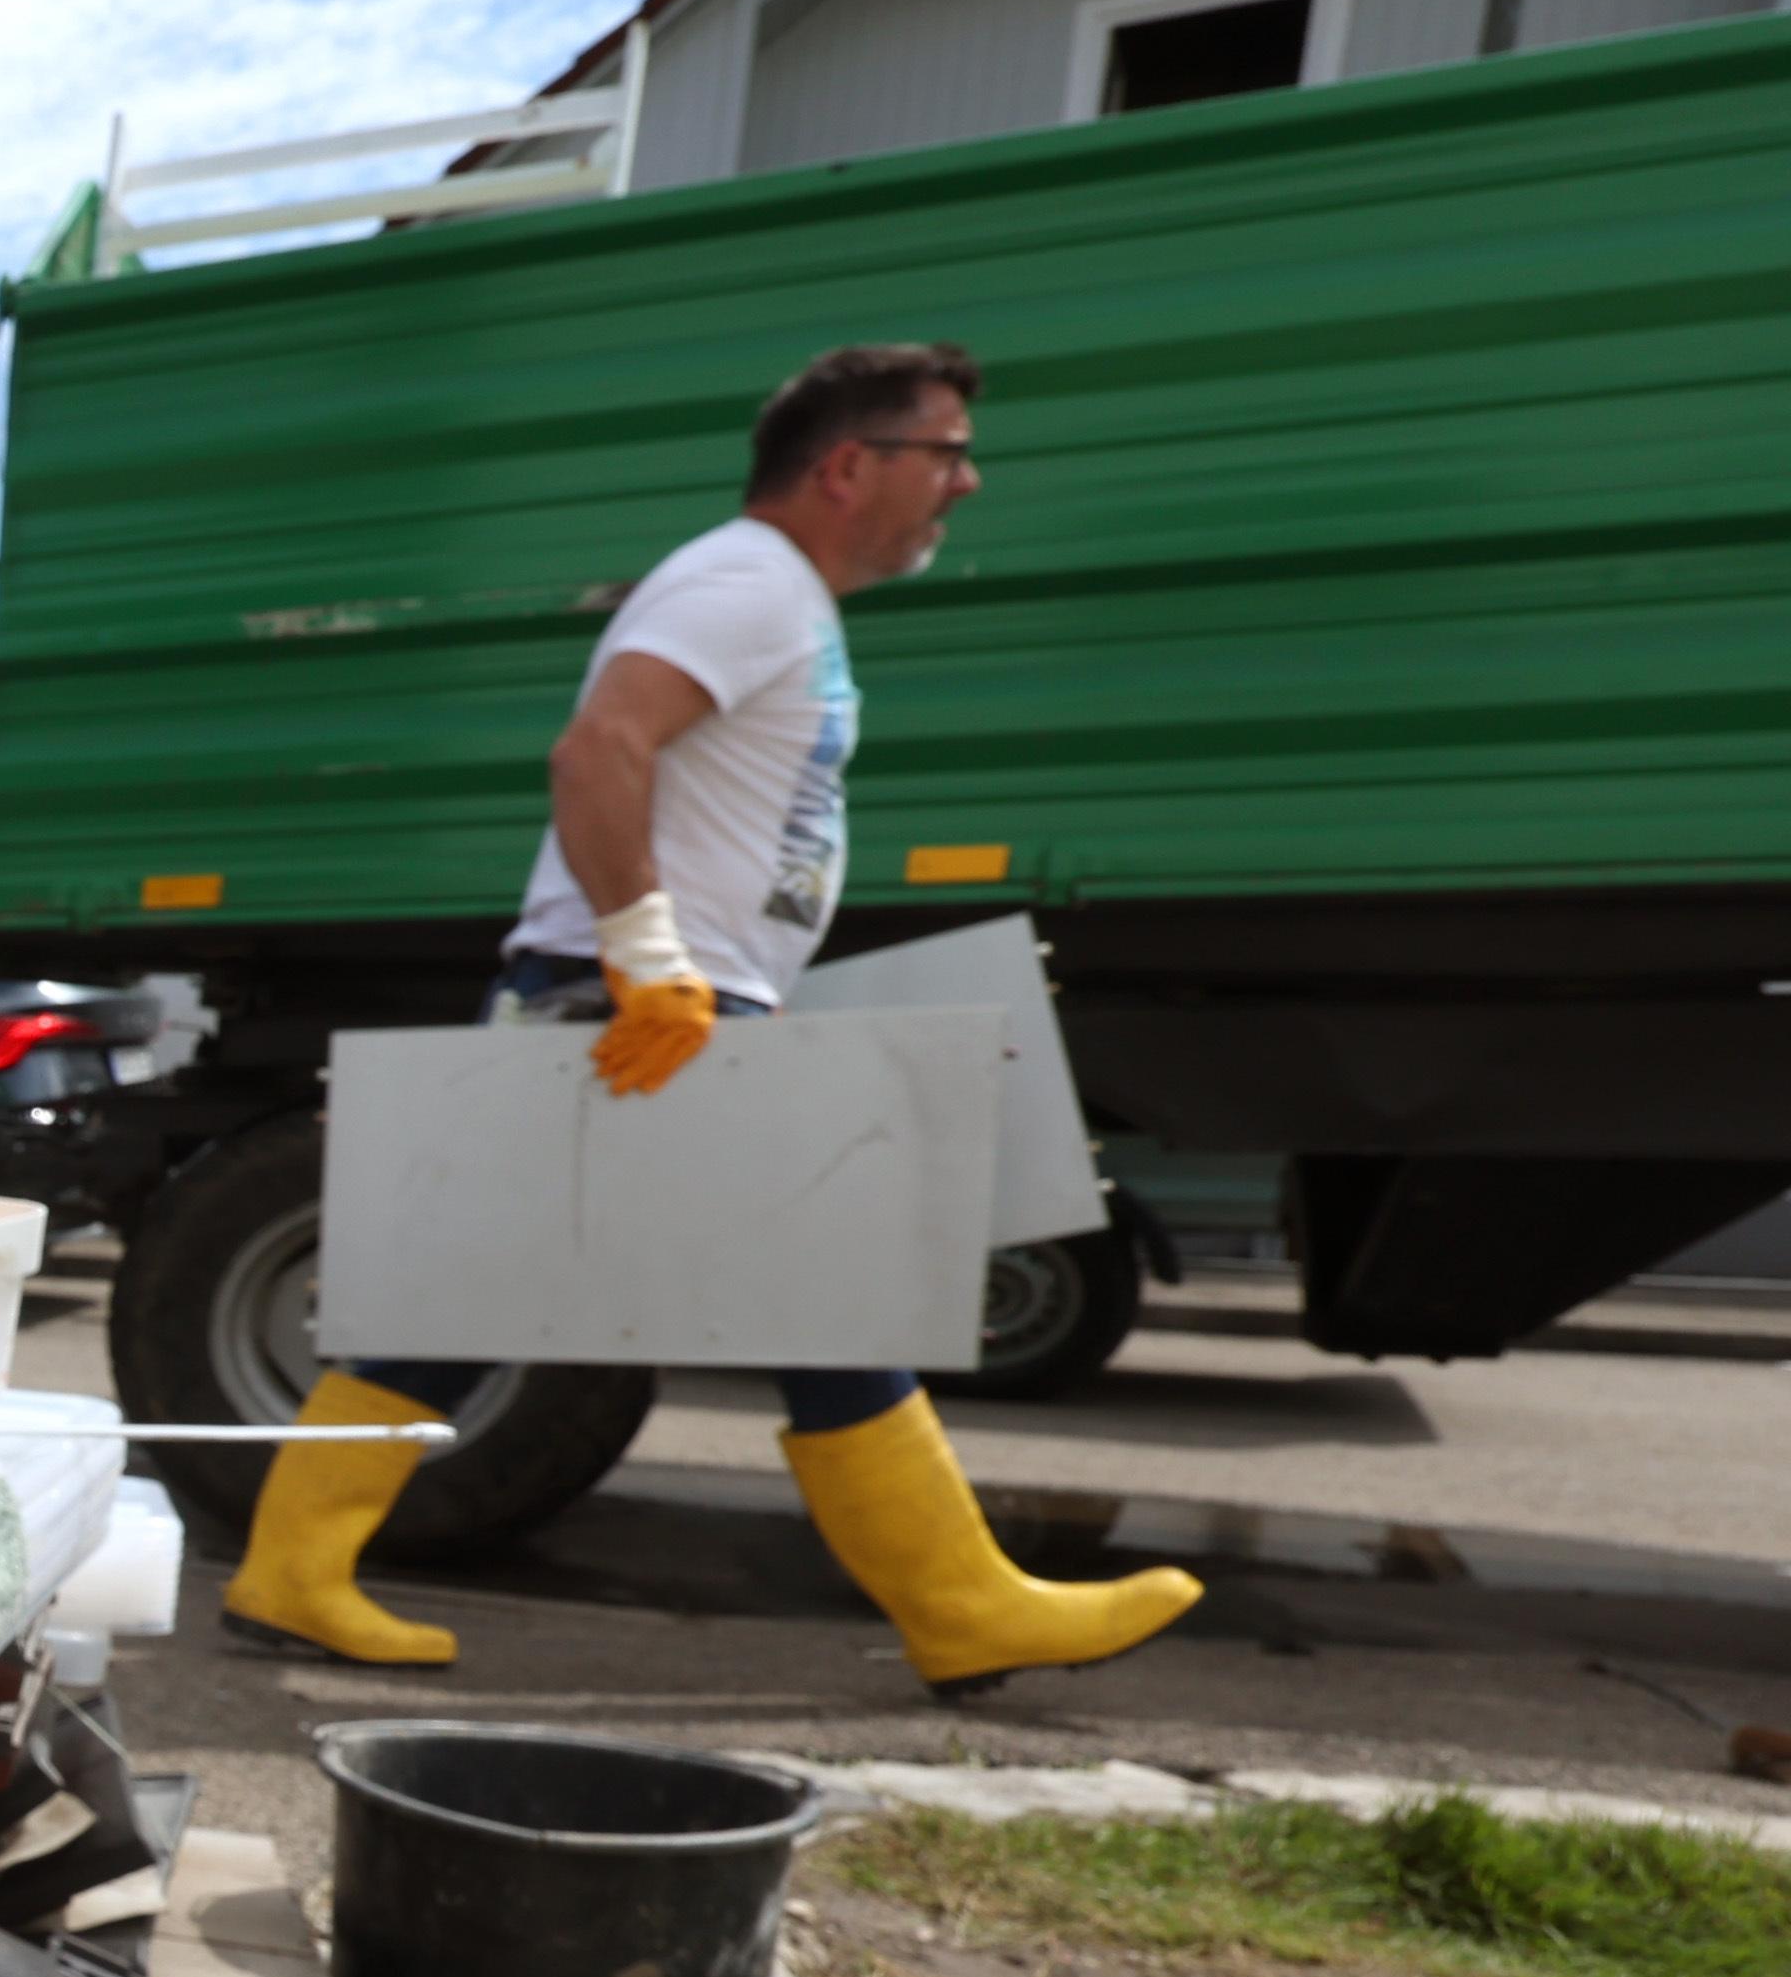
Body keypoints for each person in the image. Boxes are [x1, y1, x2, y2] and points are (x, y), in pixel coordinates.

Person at [223, 341, 1203, 1690]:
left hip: (645, 1000)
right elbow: (600, 748)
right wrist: (649, 957)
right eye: (947, 453)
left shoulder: (774, 596)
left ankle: (293, 1571)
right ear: (850, 466)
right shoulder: (747, 583)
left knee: (488, 1295)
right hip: (642, 1008)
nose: (966, 484)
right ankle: (961, 1605)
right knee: (826, 1296)